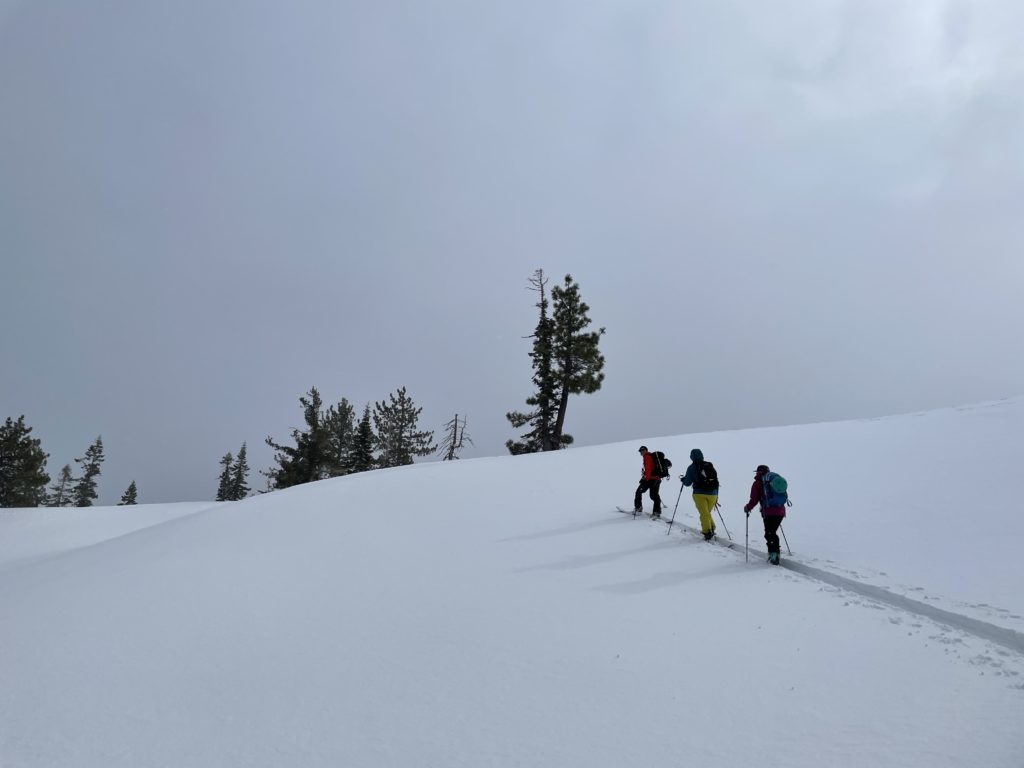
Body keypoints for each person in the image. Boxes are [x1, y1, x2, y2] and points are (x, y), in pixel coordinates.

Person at [744, 464, 786, 564]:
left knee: (769, 533)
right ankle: (774, 554)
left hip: (769, 511)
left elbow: (754, 499)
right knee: (772, 532)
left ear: (758, 472)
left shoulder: (758, 483)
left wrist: (747, 507)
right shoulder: (775, 479)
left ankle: (774, 555)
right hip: (780, 511)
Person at [680, 448, 718, 540]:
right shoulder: (709, 465)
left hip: (699, 493)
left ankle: (707, 532)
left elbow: (687, 483)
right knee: (706, 512)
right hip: (713, 493)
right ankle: (711, 527)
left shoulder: (691, 467)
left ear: (691, 457)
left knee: (703, 513)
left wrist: (683, 480)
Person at [633, 446, 662, 518]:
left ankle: (638, 508)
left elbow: (648, 469)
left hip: (650, 479)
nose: (641, 452)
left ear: (646, 450)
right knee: (654, 495)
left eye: (642, 450)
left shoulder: (647, 457)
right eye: (640, 451)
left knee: (638, 492)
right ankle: (657, 511)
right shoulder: (651, 456)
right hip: (657, 479)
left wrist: (645, 479)